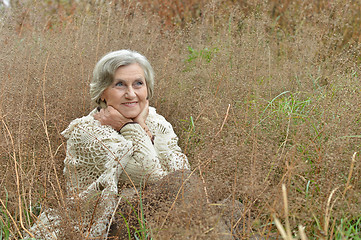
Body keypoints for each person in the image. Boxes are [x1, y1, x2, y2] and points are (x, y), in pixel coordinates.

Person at [27, 50, 190, 239]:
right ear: (103, 93)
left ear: (147, 89)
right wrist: (130, 126)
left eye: (138, 83)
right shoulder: (86, 132)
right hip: (103, 225)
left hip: (153, 219)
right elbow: (150, 173)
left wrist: (141, 124)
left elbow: (182, 173)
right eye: (120, 84)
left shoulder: (158, 123)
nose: (131, 94)